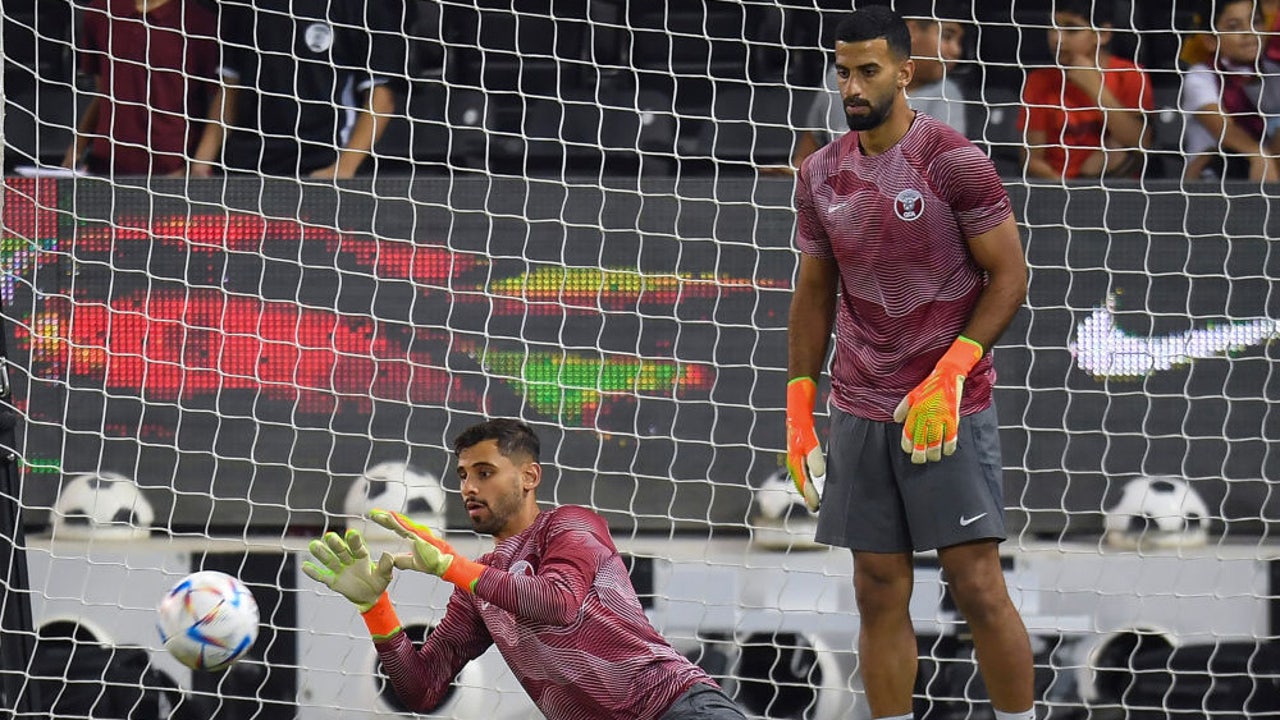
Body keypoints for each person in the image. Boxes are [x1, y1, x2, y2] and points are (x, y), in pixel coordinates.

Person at [785, 7, 1034, 720]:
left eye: (868, 71)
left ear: (905, 73)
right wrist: (799, 407)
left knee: (976, 584)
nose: (852, 87)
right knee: (876, 587)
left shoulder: (952, 159)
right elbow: (814, 291)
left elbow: (1010, 275)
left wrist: (951, 374)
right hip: (860, 403)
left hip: (946, 404)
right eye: (843, 72)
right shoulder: (820, 173)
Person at [303, 418, 747, 720]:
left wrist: (453, 567)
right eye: (462, 475)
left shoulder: (570, 525)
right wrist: (375, 607)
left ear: (530, 477)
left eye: (484, 472)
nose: (469, 487)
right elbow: (422, 689)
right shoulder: (476, 583)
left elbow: (558, 603)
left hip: (678, 707)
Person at [216, 0, 400, 178]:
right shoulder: (248, 6)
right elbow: (229, 89)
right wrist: (203, 161)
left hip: (322, 161)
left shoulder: (364, 6)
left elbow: (382, 99)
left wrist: (344, 167)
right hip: (248, 163)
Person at [786, 0, 969, 173]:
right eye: (947, 36)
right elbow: (805, 157)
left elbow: (937, 173)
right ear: (912, 31)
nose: (956, 50)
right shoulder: (835, 80)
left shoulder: (946, 95)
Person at [62, 0, 223, 176]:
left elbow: (220, 100)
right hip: (106, 167)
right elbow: (105, 92)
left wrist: (198, 165)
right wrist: (78, 146)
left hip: (171, 172)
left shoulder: (200, 22)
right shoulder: (100, 12)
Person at [1019, 0, 1153, 180]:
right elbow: (1032, 160)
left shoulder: (1130, 74)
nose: (1057, 38)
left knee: (1114, 149)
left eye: (1071, 29)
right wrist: (1069, 190)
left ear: (1102, 34)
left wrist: (1095, 89)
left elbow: (1140, 143)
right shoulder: (1039, 81)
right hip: (1058, 186)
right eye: (1052, 27)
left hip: (1117, 187)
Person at [1180, 0, 1280, 181]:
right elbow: (1225, 130)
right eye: (1234, 26)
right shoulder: (1201, 76)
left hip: (1269, 171)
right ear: (1210, 41)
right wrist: (1258, 155)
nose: (1249, 32)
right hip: (1212, 179)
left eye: (1256, 22)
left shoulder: (1275, 72)